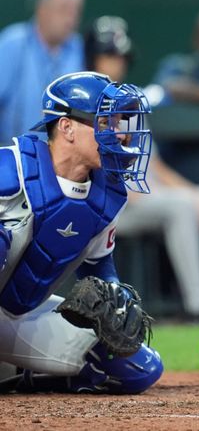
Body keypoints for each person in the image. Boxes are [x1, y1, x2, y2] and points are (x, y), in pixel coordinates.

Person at [85, 16, 199, 321]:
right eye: (109, 56)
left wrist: (191, 193)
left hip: (154, 192)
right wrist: (173, 199)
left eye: (121, 57)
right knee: (180, 208)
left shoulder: (127, 98)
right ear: (91, 57)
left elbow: (153, 164)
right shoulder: (82, 102)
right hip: (116, 205)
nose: (116, 64)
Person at [0, 71, 162, 393]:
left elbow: (100, 267)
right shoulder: (10, 169)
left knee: (138, 368)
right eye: (105, 123)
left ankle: (17, 375)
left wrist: (117, 296)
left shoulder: (105, 195)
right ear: (67, 127)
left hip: (16, 314)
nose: (119, 135)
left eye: (117, 123)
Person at [0, 0, 85, 145]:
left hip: (63, 157)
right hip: (14, 155)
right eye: (63, 10)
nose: (71, 19)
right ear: (42, 9)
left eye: (76, 12)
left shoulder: (78, 48)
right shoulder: (13, 43)